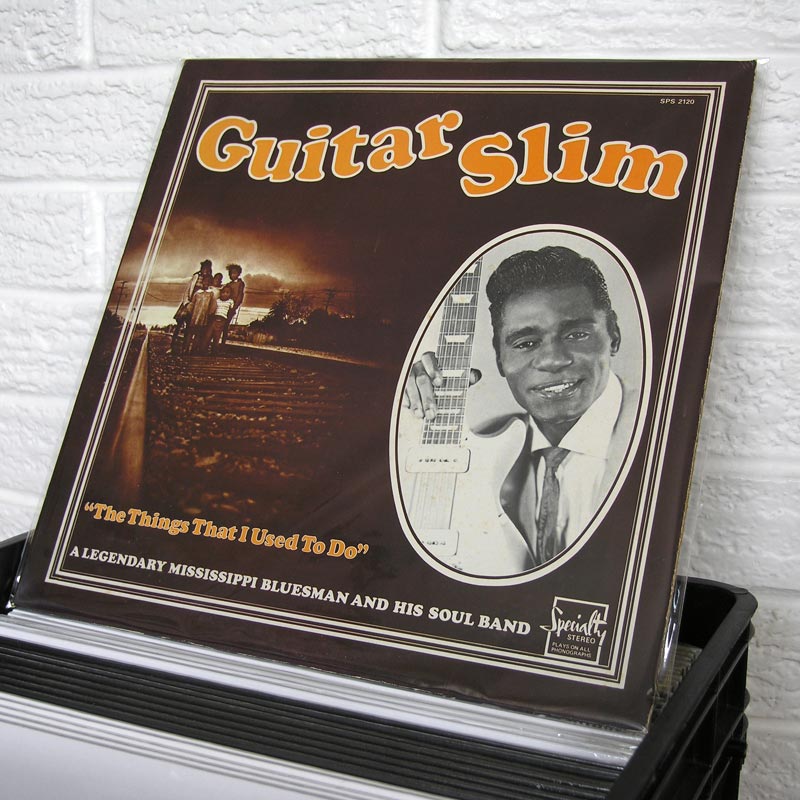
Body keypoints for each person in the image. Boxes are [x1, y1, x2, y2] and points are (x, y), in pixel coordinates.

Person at [401, 246, 638, 575]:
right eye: (526, 343)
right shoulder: (484, 446)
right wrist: (408, 416)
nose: (553, 360)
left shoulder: (659, 435)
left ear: (614, 334)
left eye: (577, 334)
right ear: (500, 357)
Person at [172, 259, 213, 353]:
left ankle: (185, 348)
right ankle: (173, 346)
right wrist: (186, 303)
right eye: (204, 268)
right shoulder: (196, 276)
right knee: (179, 323)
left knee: (190, 327)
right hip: (188, 303)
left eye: (207, 269)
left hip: (198, 307)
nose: (205, 270)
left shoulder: (209, 279)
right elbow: (188, 290)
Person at [200, 284, 235, 354]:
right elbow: (213, 309)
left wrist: (227, 320)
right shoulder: (217, 300)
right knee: (208, 335)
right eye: (223, 292)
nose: (225, 294)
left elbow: (231, 311)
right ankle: (203, 350)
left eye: (227, 292)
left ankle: (214, 351)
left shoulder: (230, 301)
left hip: (222, 319)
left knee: (217, 336)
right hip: (214, 318)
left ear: (230, 294)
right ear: (220, 293)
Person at [221, 263, 245, 343]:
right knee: (221, 323)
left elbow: (240, 296)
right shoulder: (228, 284)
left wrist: (234, 307)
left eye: (235, 273)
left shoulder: (240, 283)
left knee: (226, 324)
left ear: (238, 273)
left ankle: (223, 343)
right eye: (231, 273)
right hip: (225, 306)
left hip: (232, 307)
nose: (233, 275)